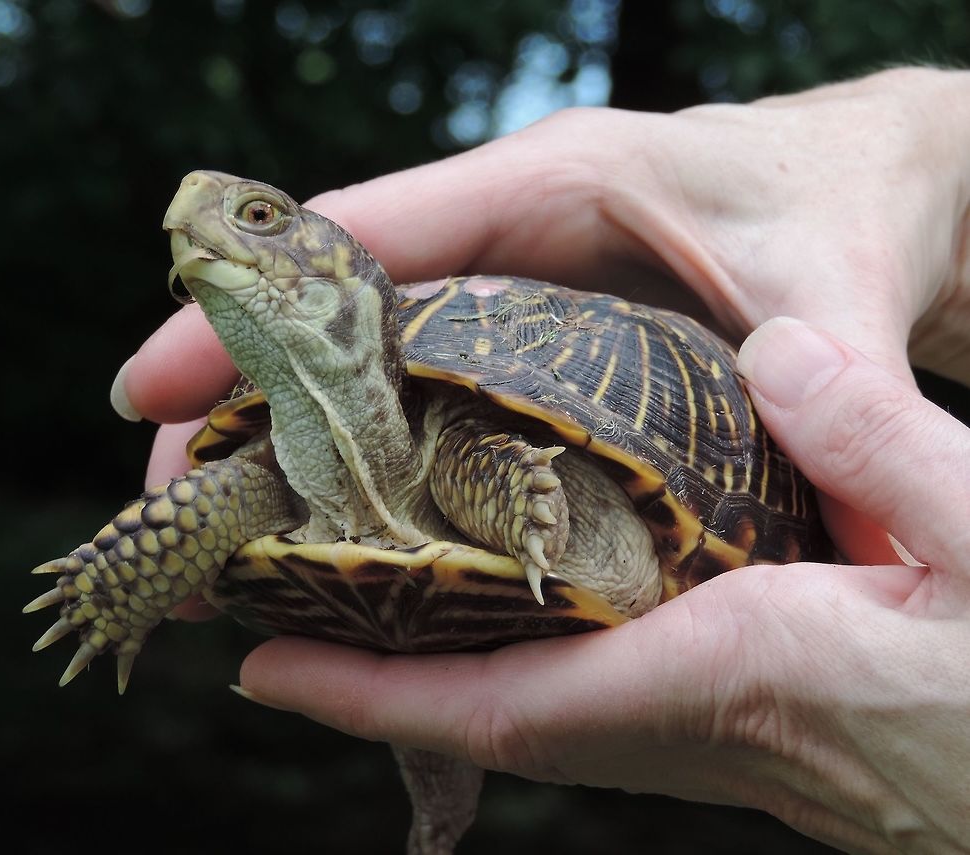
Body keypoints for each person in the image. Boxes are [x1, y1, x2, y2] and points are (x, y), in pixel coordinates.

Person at [112, 67, 970, 853]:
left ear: (344, 287)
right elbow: (210, 503)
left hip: (626, 523)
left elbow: (499, 463)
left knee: (473, 488)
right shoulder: (265, 483)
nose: (200, 207)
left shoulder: (481, 457)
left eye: (261, 216)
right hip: (402, 605)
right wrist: (119, 585)